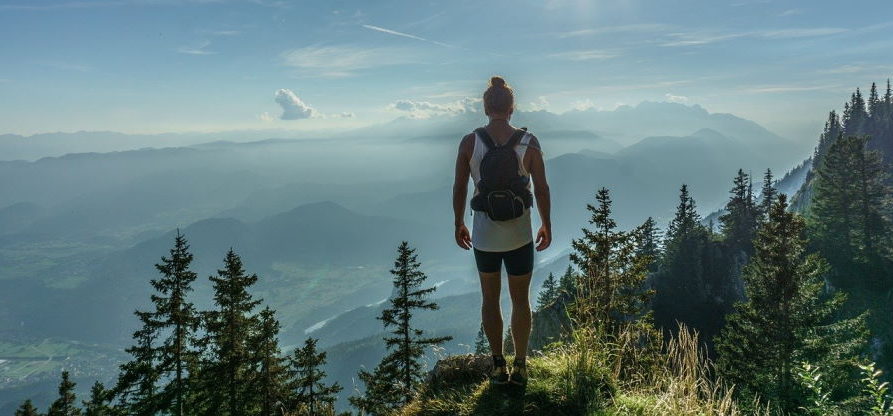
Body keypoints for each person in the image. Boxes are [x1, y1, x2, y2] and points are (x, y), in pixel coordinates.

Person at [452, 76, 551, 386]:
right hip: (520, 235)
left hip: (485, 236)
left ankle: (498, 366)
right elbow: (542, 187)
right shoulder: (529, 142)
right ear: (512, 107)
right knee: (521, 301)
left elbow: (459, 186)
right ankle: (520, 366)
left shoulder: (470, 142)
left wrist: (459, 223)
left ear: (485, 107)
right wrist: (547, 224)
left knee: (490, 300)